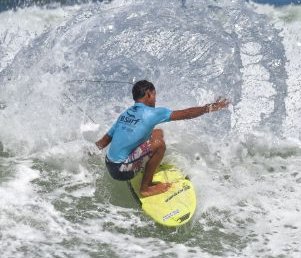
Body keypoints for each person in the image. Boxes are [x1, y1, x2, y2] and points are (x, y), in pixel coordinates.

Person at [95, 80, 229, 197]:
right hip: (122, 171)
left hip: (110, 164)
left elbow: (103, 142)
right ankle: (146, 188)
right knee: (159, 144)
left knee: (157, 132)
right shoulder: (154, 112)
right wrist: (210, 108)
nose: (155, 99)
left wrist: (88, 152)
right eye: (154, 95)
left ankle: (141, 163)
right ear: (148, 94)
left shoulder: (126, 113)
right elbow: (186, 114)